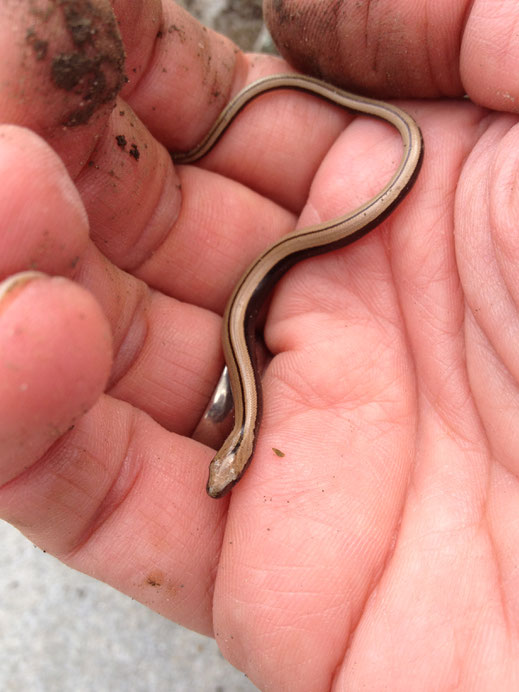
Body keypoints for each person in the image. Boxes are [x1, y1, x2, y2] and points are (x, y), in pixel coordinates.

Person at [1, 1, 518, 689]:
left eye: (229, 471)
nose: (227, 479)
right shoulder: (242, 414)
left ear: (234, 456)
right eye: (230, 473)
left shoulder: (244, 414)